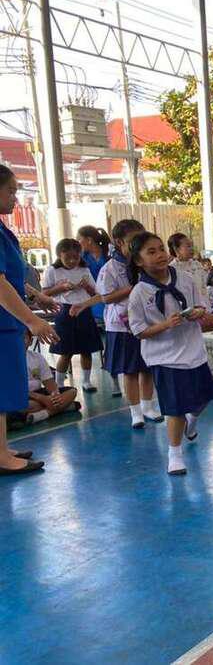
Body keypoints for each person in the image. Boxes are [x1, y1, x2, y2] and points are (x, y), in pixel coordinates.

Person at [128, 231, 213, 476]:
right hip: (165, 357)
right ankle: (175, 454)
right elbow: (138, 331)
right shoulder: (139, 292)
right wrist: (165, 325)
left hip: (193, 350)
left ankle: (192, 420)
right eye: (151, 252)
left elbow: (201, 304)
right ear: (138, 261)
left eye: (161, 249)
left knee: (204, 398)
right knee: (175, 408)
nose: (159, 255)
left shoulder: (185, 279)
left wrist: (198, 312)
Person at [0, 164, 59, 474]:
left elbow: (11, 277)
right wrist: (33, 321)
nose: (15, 197)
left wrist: (37, 295)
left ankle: (1, 447)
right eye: (10, 190)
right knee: (1, 388)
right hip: (2, 322)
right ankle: (2, 457)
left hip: (7, 320)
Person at [95, 218, 162, 429]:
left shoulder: (144, 264)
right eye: (133, 240)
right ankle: (135, 412)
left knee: (147, 367)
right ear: (119, 242)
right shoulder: (110, 268)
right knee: (130, 370)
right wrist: (133, 288)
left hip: (146, 322)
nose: (137, 245)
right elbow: (106, 297)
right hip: (121, 326)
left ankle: (148, 406)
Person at [42, 239, 103, 393]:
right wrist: (61, 287)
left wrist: (86, 286)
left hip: (83, 310)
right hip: (63, 311)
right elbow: (44, 293)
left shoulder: (84, 269)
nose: (72, 261)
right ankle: (59, 384)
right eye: (67, 258)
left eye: (75, 257)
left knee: (86, 349)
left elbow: (95, 293)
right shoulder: (53, 270)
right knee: (66, 351)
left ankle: (87, 381)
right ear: (59, 255)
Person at [9, 329, 79, 428]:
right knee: (24, 406)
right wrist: (43, 399)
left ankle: (43, 414)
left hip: (38, 393)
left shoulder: (37, 358)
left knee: (72, 392)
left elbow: (50, 384)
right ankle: (64, 407)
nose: (19, 341)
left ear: (30, 341)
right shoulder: (6, 359)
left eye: (23, 337)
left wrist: (55, 396)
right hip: (18, 397)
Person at [76, 225, 110, 328]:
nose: (77, 243)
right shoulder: (81, 258)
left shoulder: (109, 255)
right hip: (90, 300)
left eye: (79, 239)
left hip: (109, 296)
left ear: (89, 240)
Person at [168, 233, 209, 309]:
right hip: (186, 310)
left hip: (204, 308)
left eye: (191, 245)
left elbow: (204, 288)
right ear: (176, 249)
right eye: (188, 246)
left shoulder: (197, 265)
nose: (192, 248)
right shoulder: (171, 269)